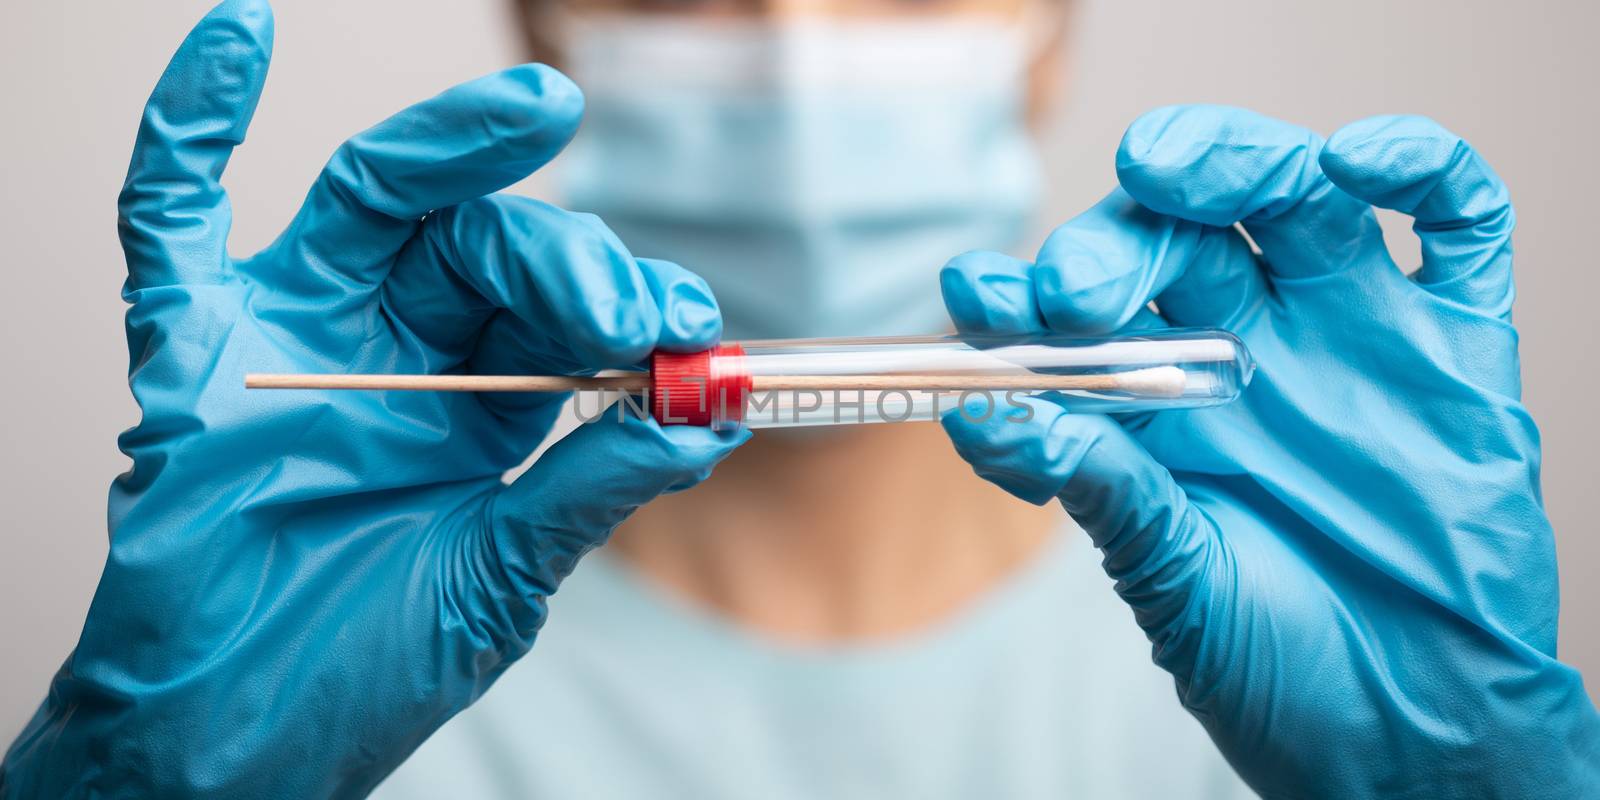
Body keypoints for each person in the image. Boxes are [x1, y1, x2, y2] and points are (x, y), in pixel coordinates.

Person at [2, 0, 1597, 798]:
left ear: (1046, 39)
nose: (793, 49)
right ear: (543, 32)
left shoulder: (1297, 665)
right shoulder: (334, 677)